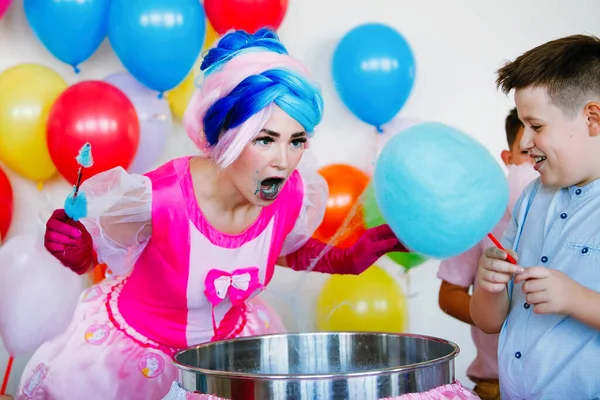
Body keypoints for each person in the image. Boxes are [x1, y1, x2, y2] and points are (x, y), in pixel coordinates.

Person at [15, 29, 406, 400]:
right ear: (228, 136)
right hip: (137, 359)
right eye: (265, 139)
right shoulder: (162, 197)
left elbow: (281, 251)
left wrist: (344, 259)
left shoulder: (291, 196)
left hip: (230, 353)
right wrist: (75, 249)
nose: (284, 162)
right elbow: (95, 253)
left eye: (297, 140)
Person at [471, 34, 600, 399]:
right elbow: (489, 321)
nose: (525, 142)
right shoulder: (532, 197)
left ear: (592, 118)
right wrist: (488, 285)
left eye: (537, 126)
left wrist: (576, 298)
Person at [437, 108, 536, 399]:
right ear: (508, 160)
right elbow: (449, 294)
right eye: (526, 152)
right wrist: (491, 315)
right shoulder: (482, 217)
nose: (535, 161)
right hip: (495, 382)